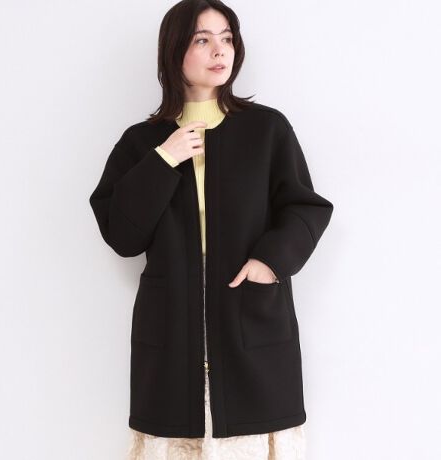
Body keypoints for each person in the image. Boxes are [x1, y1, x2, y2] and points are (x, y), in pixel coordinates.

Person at [89, 1, 333, 459]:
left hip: (252, 328)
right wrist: (165, 159)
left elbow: (305, 207)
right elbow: (122, 236)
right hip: (171, 340)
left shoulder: (266, 130)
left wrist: (269, 262)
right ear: (174, 50)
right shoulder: (141, 143)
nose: (220, 50)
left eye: (227, 39)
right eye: (203, 39)